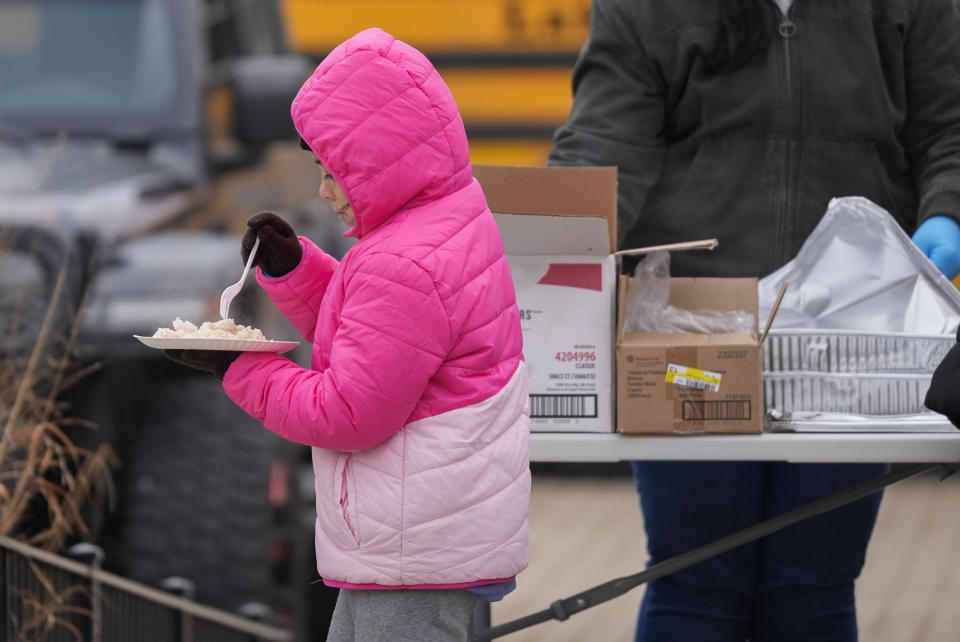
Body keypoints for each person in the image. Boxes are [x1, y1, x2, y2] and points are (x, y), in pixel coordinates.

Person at [549, 1, 960, 640]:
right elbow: (606, 143)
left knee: (814, 582)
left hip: (847, 337)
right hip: (688, 337)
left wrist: (948, 210)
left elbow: (949, 126)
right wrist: (556, 243)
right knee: (696, 577)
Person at [165, 27, 531, 642]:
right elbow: (382, 337)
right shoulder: (442, 216)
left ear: (386, 160)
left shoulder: (403, 262)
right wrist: (297, 272)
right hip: (421, 539)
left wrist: (239, 368)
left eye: (338, 172)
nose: (325, 190)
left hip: (413, 553)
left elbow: (350, 411)